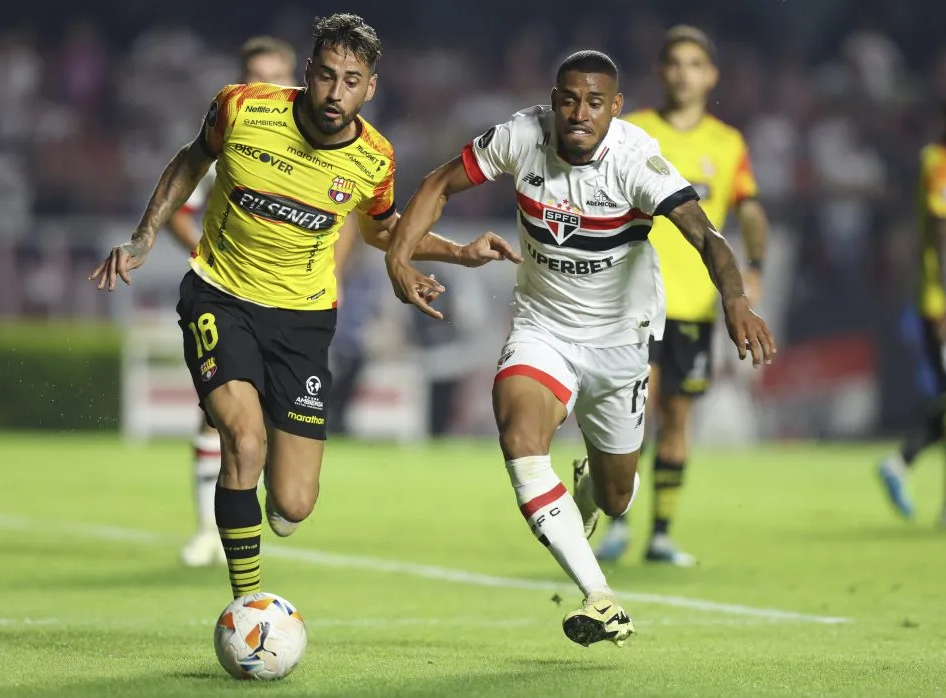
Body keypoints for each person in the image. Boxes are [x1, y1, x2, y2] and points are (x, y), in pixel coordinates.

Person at [90, 13, 519, 600]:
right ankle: (247, 605)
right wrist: (144, 236)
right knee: (242, 440)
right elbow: (192, 159)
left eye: (350, 80)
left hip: (302, 323)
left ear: (370, 88)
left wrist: (456, 252)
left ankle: (262, 452)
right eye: (324, 75)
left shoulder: (375, 158)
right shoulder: (242, 109)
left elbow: (382, 228)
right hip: (221, 295)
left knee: (292, 506)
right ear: (307, 73)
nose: (334, 93)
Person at [385, 50, 775, 648]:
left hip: (621, 342)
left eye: (595, 102)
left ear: (614, 108)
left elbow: (708, 236)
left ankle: (592, 484)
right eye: (569, 99)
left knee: (617, 497)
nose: (579, 112)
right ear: (554, 98)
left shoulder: (635, 159)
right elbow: (439, 183)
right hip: (543, 328)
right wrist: (399, 255)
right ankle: (601, 597)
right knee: (519, 435)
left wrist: (737, 300)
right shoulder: (521, 135)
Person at [166, 34, 364, 567]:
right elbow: (178, 205)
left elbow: (353, 221)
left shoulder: (341, 147)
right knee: (227, 423)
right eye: (260, 76)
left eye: (279, 76)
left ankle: (276, 492)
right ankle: (210, 529)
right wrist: (212, 252)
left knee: (288, 489)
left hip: (298, 306)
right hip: (227, 292)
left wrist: (331, 274)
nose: (272, 86)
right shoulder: (235, 130)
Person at [588, 26, 770, 566]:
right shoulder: (631, 130)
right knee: (631, 414)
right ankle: (618, 522)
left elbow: (751, 208)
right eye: (676, 63)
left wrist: (754, 265)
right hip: (635, 302)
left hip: (693, 307)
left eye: (696, 63)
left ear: (710, 76)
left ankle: (661, 533)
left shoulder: (728, 143)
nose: (685, 73)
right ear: (661, 72)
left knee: (678, 418)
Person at [877, 103, 946, 523]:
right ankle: (900, 461)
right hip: (940, 301)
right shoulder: (937, 162)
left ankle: (901, 464)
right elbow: (941, 232)